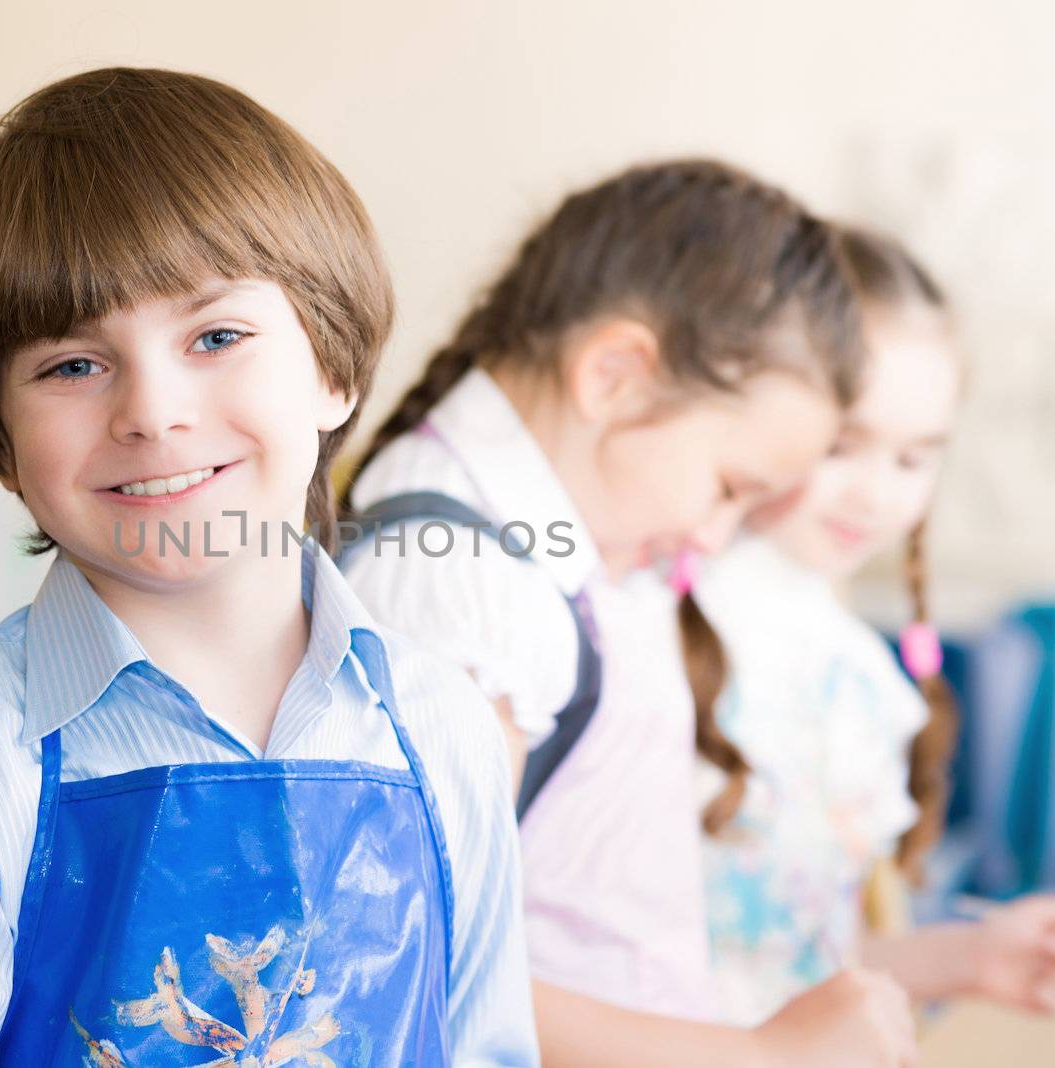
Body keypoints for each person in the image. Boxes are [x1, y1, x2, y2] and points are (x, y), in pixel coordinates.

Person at [0, 67, 536, 1067]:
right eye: (71, 365)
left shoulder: (440, 730)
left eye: (216, 336)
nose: (151, 411)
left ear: (333, 370)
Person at [342, 160, 916, 1067]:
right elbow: (416, 967)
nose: (714, 533)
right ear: (613, 375)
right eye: (730, 488)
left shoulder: (561, 543)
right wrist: (769, 1056)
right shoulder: (464, 587)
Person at [693, 225, 1055, 1026]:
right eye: (843, 446)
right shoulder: (662, 625)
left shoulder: (854, 671)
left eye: (914, 458)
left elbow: (806, 955)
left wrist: (973, 956)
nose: (877, 496)